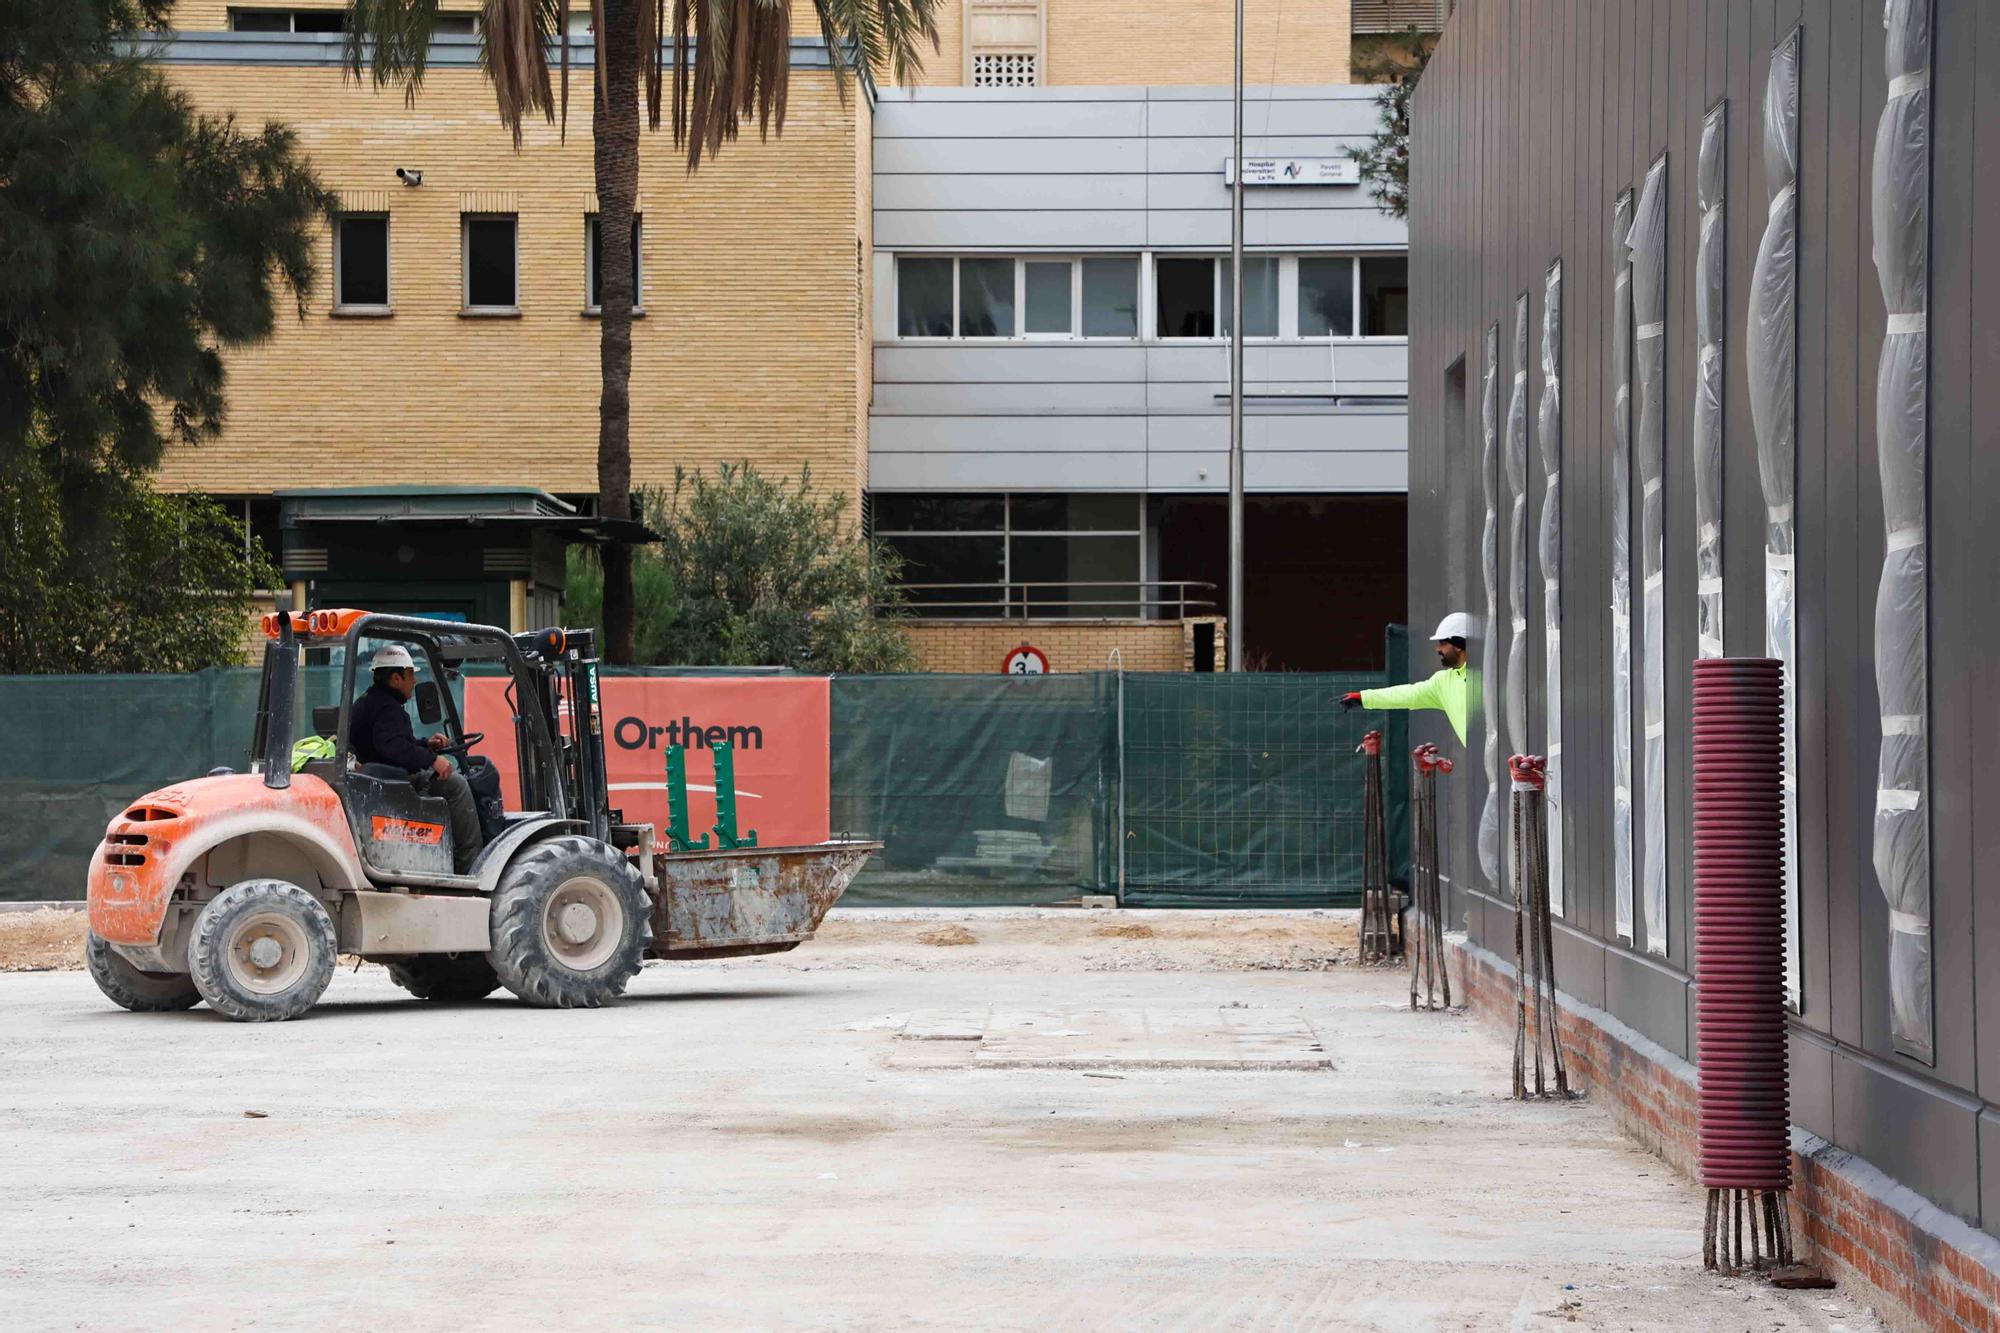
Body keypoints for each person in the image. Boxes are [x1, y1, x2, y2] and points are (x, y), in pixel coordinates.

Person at [350, 644, 482, 873]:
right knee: (457, 785)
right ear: (395, 677)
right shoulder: (387, 708)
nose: (414, 681)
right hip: (394, 781)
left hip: (384, 776)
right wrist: (432, 759)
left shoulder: (371, 701)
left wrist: (425, 745)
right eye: (411, 675)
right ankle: (470, 866)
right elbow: (392, 747)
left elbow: (390, 743)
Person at [1340, 613, 1473, 746]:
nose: (1438, 649)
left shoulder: (1485, 672)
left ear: (1458, 645)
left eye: (1442, 643)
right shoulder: (1442, 682)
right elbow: (1408, 695)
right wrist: (1364, 698)